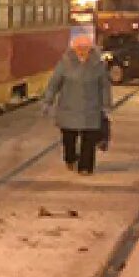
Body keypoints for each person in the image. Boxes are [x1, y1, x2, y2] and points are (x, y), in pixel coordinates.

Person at [43, 33, 113, 175]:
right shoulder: (65, 63)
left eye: (85, 48)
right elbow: (54, 83)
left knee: (89, 139)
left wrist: (106, 105)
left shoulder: (98, 65)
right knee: (69, 138)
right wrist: (48, 101)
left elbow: (105, 86)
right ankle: (70, 158)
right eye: (79, 48)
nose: (82, 50)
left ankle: (85, 167)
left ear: (91, 49)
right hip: (69, 108)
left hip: (91, 108)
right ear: (73, 48)